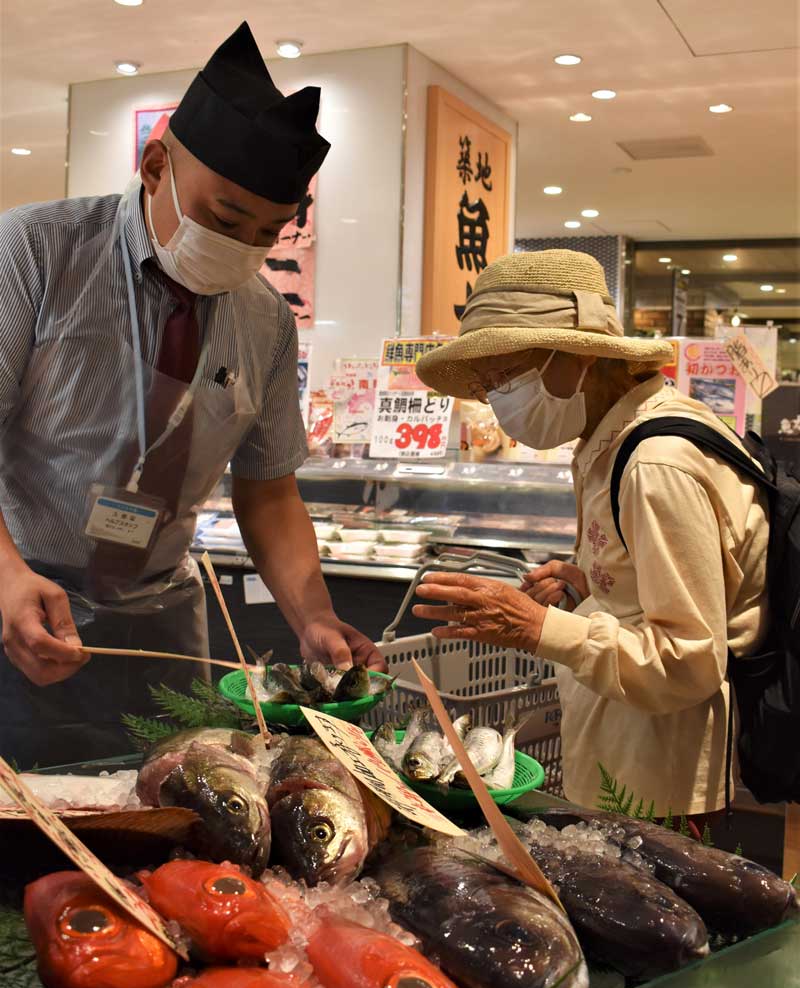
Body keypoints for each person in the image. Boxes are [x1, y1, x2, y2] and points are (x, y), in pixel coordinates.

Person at [0, 22, 383, 769]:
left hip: (163, 621)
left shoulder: (265, 317)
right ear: (153, 166)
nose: (245, 247)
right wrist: (7, 576)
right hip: (24, 602)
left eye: (269, 232)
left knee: (181, 824)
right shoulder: (35, 254)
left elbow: (268, 491)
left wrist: (313, 616)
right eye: (224, 218)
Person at [412, 249, 769, 822]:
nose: (496, 398)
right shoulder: (611, 436)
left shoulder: (656, 463)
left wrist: (539, 627)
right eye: (486, 385)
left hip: (656, 776)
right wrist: (592, 589)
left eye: (502, 375)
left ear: (573, 356)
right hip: (622, 744)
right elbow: (659, 595)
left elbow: (688, 661)